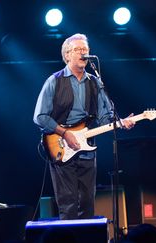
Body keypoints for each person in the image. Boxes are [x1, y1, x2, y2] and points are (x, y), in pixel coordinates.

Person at [33, 33, 135, 220]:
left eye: (86, 50)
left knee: (88, 201)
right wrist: (65, 133)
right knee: (68, 202)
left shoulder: (95, 82)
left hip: (86, 148)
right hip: (60, 146)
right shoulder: (54, 81)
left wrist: (120, 123)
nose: (83, 53)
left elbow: (105, 118)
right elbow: (39, 117)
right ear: (67, 54)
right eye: (78, 50)